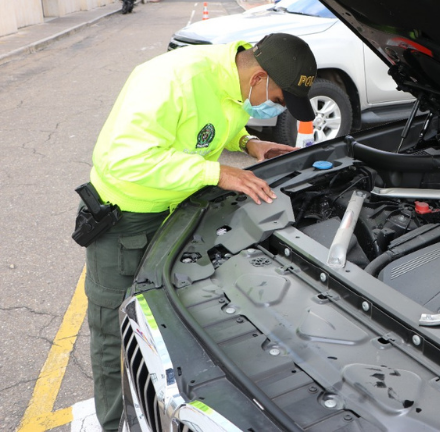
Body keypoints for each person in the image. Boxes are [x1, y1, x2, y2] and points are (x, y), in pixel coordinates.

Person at [78, 33, 317, 431]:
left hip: (172, 212)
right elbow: (123, 159)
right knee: (112, 336)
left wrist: (248, 142)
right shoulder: (174, 80)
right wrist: (217, 172)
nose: (273, 107)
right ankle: (114, 424)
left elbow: (202, 130)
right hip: (125, 222)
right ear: (258, 77)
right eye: (277, 98)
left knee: (159, 320)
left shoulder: (230, 82)